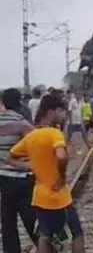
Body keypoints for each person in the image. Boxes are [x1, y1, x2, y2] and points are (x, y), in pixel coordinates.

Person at [8, 94, 85, 253]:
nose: (63, 115)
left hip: (40, 197)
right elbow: (62, 156)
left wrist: (31, 165)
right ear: (50, 112)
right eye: (61, 111)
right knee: (76, 233)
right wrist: (61, 177)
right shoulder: (54, 133)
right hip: (58, 197)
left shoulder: (32, 136)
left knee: (44, 235)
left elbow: (11, 157)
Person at [0, 88, 38, 253]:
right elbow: (36, 149)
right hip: (23, 178)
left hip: (3, 179)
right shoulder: (23, 123)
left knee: (8, 223)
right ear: (19, 101)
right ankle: (46, 247)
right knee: (31, 220)